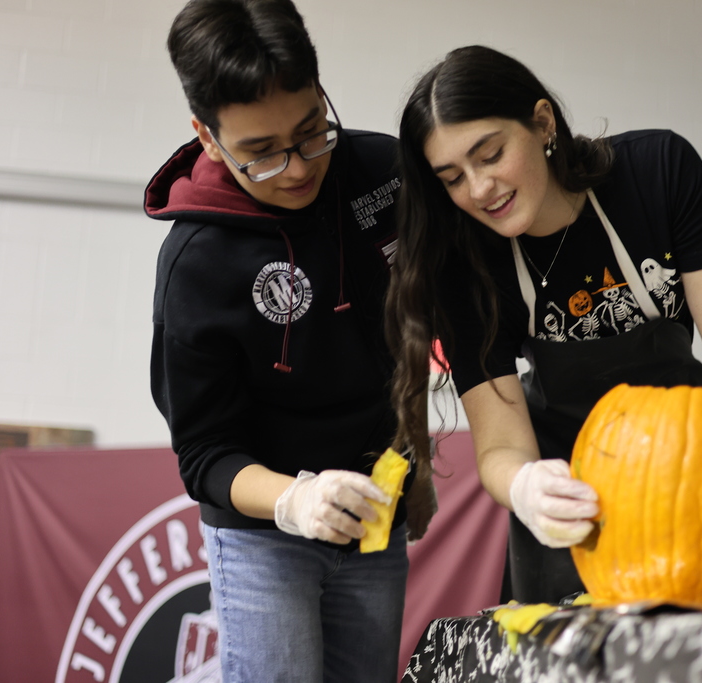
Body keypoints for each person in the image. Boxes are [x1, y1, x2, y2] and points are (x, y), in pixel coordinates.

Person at [386, 45, 702, 604]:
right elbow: (498, 444)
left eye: (490, 155)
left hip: (691, 474)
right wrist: (526, 486)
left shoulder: (657, 171)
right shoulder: (465, 262)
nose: (479, 189)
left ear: (542, 123)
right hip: (570, 506)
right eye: (452, 178)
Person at [145, 1, 436, 680]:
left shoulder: (384, 174)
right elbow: (205, 453)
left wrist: (415, 454)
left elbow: (421, 323)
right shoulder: (198, 260)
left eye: (311, 132)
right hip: (261, 532)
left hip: (372, 515)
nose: (300, 167)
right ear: (207, 137)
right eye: (262, 154)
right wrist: (294, 501)